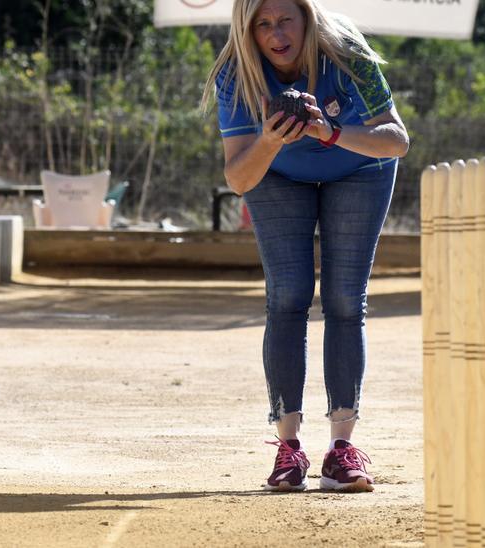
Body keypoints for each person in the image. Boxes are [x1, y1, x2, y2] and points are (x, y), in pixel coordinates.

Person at [200, 0, 409, 493]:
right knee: (289, 296)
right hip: (278, 175)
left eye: (285, 19)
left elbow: (397, 139)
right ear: (249, 31)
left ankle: (342, 449)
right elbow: (238, 176)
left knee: (343, 298)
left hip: (360, 167)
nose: (275, 33)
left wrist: (327, 131)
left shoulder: (346, 51)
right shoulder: (237, 72)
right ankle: (288, 448)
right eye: (263, 24)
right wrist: (271, 140)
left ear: (306, 17)